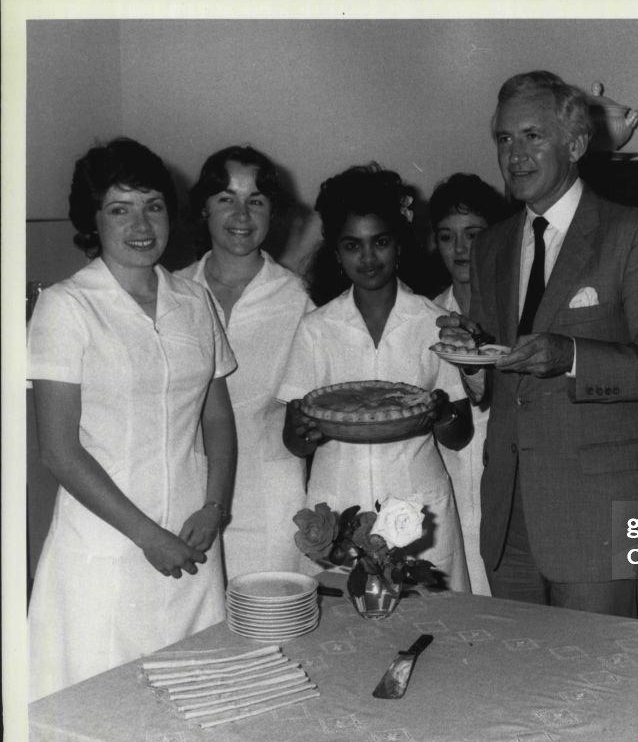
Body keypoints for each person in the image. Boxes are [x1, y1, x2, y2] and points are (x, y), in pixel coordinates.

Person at [437, 70, 638, 617]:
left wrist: (573, 358)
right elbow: (494, 386)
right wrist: (471, 358)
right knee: (519, 678)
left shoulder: (634, 233)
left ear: (577, 143)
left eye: (533, 136)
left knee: (601, 690)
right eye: (504, 138)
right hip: (509, 518)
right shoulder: (491, 245)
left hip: (598, 519)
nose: (515, 154)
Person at [27, 137, 236, 700]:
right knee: (102, 712)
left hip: (193, 542)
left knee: (194, 708)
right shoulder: (67, 306)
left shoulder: (195, 301)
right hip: (107, 552)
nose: (141, 224)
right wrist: (148, 536)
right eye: (120, 209)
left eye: (153, 205)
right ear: (93, 222)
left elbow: (218, 420)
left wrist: (214, 507)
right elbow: (58, 450)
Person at [279, 163, 472, 591]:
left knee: (426, 626)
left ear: (399, 245)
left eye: (380, 242)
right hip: (337, 505)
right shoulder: (317, 328)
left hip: (416, 505)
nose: (368, 258)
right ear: (337, 252)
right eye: (353, 245)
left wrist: (440, 413)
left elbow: (459, 434)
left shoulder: (435, 322)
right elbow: (294, 441)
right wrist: (299, 430)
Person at [180, 145, 312, 579]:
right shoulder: (174, 293)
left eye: (255, 200)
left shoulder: (296, 300)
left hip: (270, 501)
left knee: (268, 629)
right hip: (183, 497)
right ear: (204, 208)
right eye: (226, 199)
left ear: (273, 213)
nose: (241, 214)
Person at [429, 173, 510, 596]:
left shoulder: (514, 314)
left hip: (507, 490)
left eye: (472, 235)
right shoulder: (424, 317)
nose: (460, 249)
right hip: (449, 490)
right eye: (447, 237)